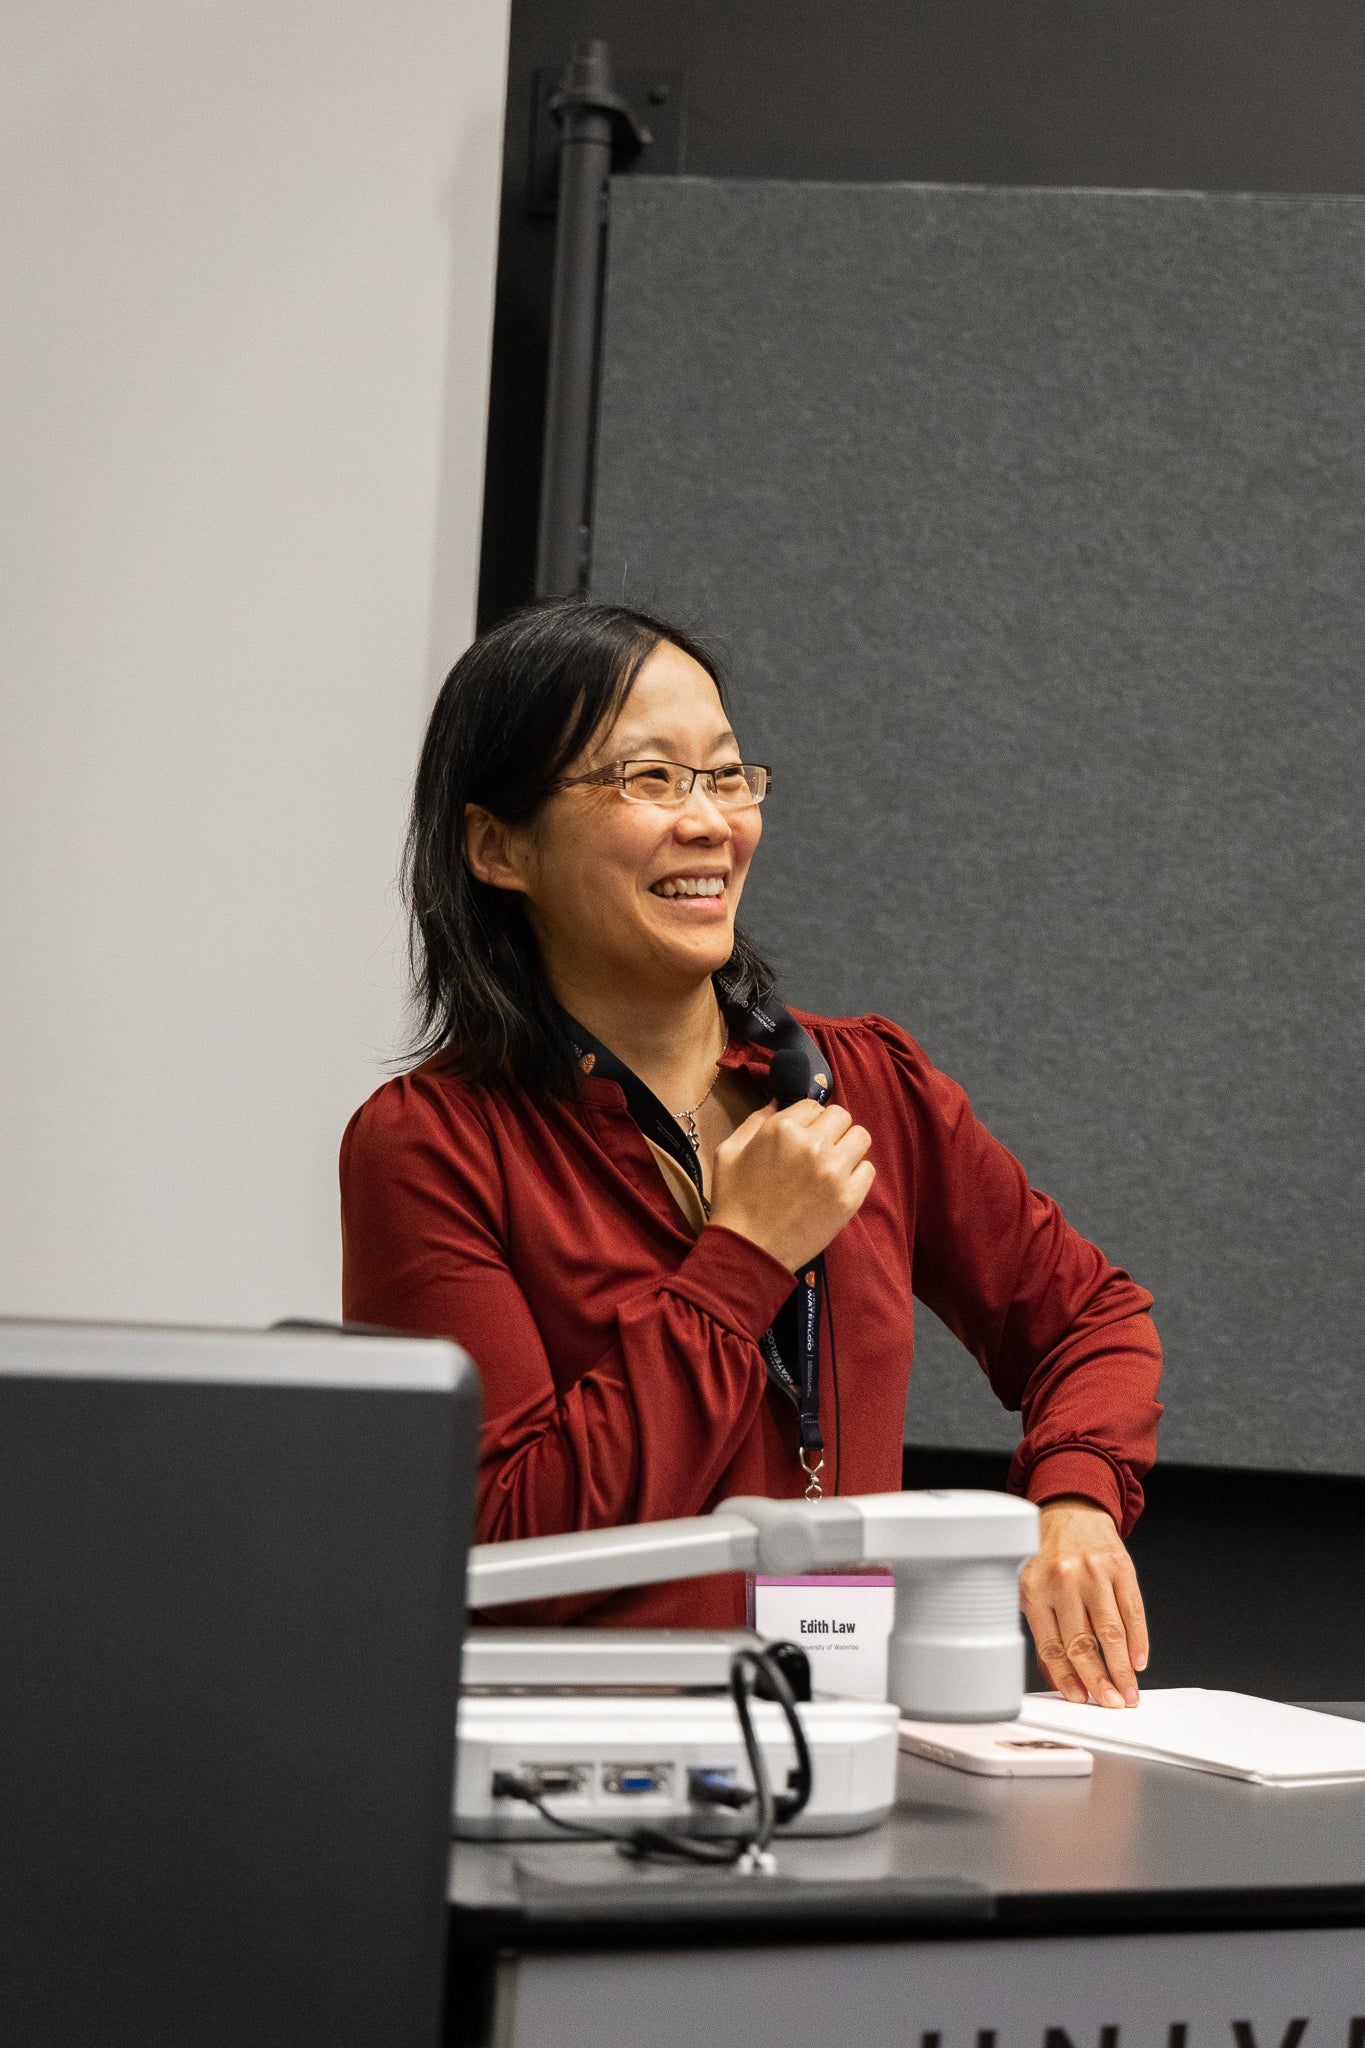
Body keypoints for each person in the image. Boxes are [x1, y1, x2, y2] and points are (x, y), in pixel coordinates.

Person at [341, 599, 1163, 1709]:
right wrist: (741, 1256)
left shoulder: (864, 1084)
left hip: (846, 1750)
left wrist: (1075, 1498)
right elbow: (503, 1546)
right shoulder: (431, 1144)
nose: (710, 822)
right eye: (648, 778)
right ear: (499, 846)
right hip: (588, 1779)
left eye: (728, 776)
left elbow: (1088, 1318)